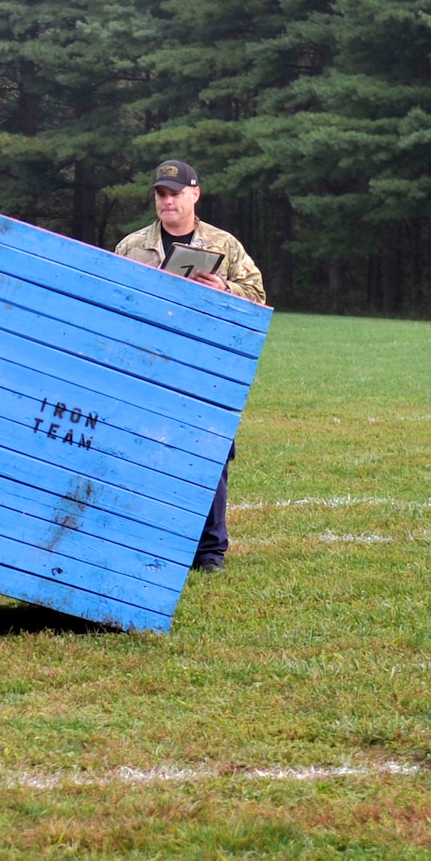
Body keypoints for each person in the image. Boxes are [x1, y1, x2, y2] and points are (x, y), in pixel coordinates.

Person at [114, 159, 265, 573]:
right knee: (142, 447)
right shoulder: (131, 246)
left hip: (205, 361)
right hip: (149, 361)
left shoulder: (223, 245)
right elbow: (114, 300)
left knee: (211, 451)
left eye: (175, 194)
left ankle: (209, 552)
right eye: (161, 194)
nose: (167, 201)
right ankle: (146, 539)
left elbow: (257, 294)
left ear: (195, 194)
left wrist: (225, 288)